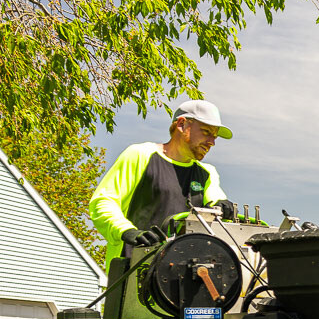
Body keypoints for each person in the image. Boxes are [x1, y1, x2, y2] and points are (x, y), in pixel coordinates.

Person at [89, 99, 240, 266]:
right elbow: (103, 201)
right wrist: (126, 231)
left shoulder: (207, 173)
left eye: (215, 136)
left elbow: (215, 202)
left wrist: (223, 206)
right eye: (206, 132)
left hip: (180, 276)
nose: (212, 142)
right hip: (132, 269)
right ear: (182, 125)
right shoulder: (140, 155)